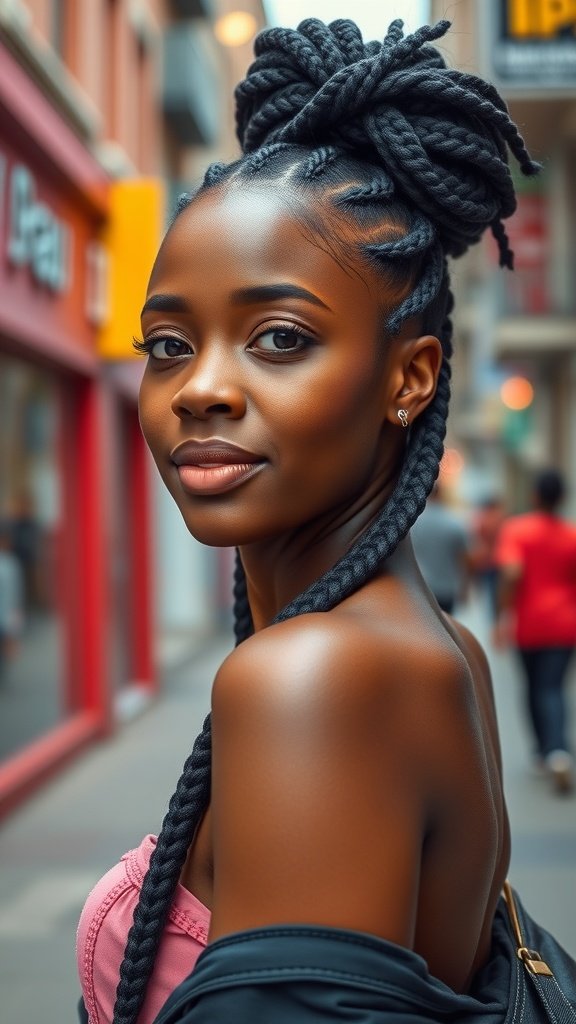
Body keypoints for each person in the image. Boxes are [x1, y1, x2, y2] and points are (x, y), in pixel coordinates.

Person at [75, 16, 548, 1024]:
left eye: (279, 337)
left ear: (409, 378)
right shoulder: (442, 650)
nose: (200, 387)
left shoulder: (313, 679)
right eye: (168, 345)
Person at [494, 469, 576, 795]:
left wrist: (502, 616)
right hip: (566, 624)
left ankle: (548, 751)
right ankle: (554, 751)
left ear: (535, 496)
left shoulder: (517, 530)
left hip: (529, 625)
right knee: (552, 687)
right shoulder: (571, 535)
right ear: (562, 498)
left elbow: (512, 573)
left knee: (534, 687)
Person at [410, 482, 470, 613]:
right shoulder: (454, 522)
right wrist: (465, 587)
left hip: (419, 587)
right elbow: (463, 559)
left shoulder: (412, 523)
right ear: (440, 494)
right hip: (446, 589)